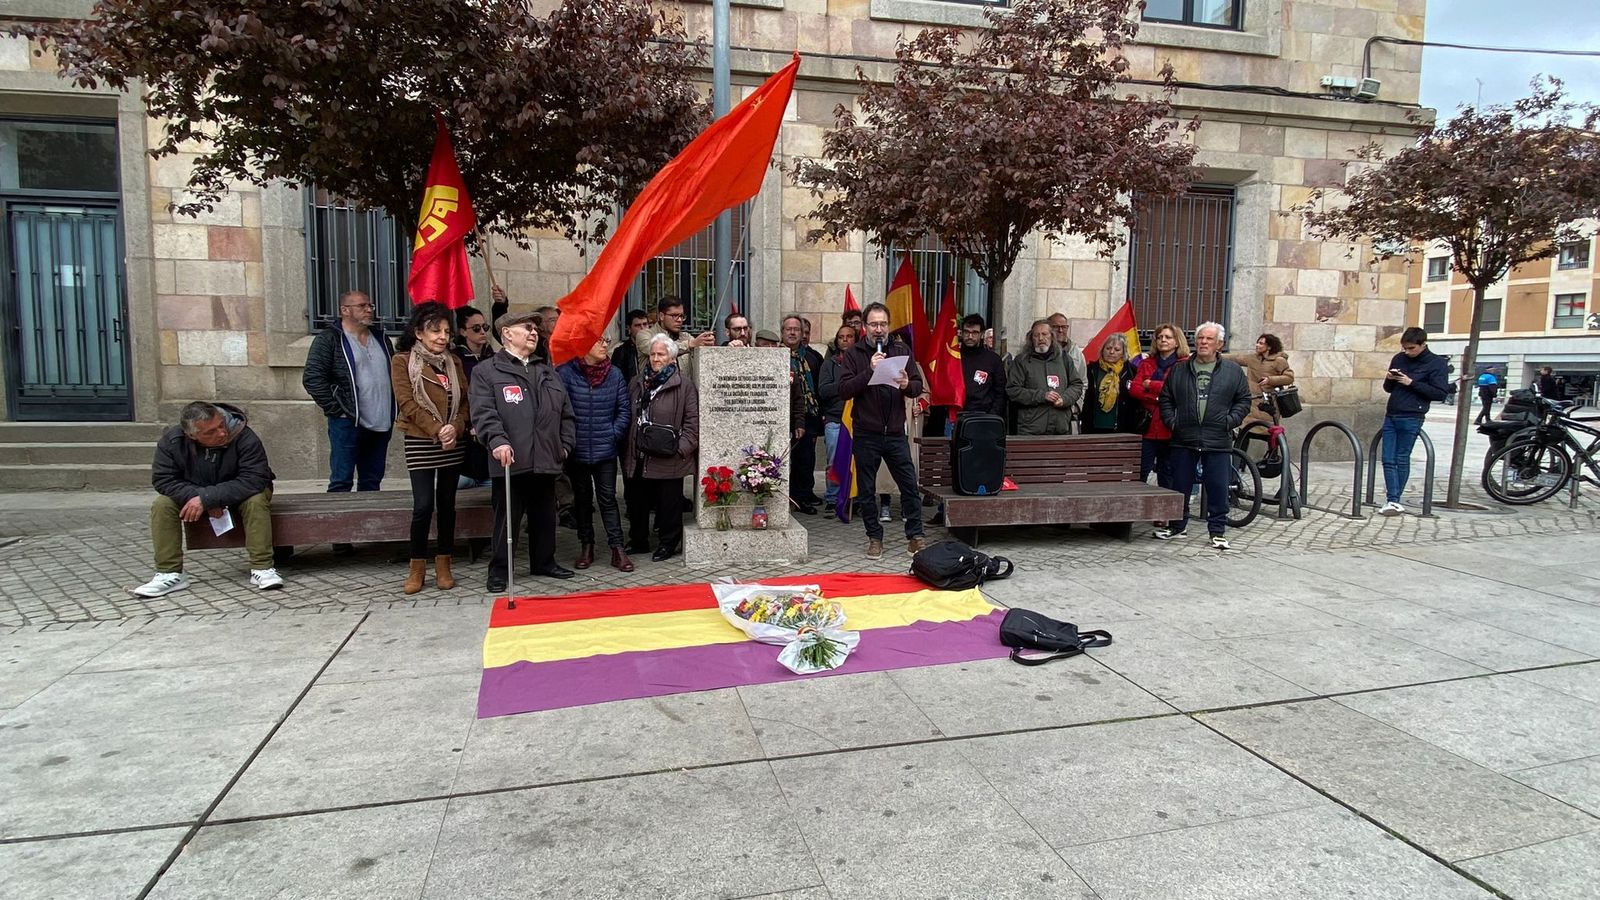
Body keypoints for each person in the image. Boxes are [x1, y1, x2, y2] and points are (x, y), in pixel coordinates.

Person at [470, 310, 577, 589]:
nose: (533, 333)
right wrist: (497, 441)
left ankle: (544, 562)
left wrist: (564, 447)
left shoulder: (546, 370)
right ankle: (500, 570)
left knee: (545, 515)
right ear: (506, 332)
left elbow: (566, 413)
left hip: (546, 457)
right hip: (510, 459)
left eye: (535, 329)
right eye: (527, 328)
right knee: (507, 519)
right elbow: (483, 413)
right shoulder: (487, 371)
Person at [133, 401, 281, 597]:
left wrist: (208, 498)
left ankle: (262, 567)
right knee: (162, 504)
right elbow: (164, 480)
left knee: (256, 499)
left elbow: (255, 479)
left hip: (241, 492)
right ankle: (169, 573)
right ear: (192, 435)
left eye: (221, 425)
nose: (221, 433)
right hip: (194, 493)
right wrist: (201, 497)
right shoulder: (172, 442)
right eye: (211, 432)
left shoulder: (244, 436)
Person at [390, 302, 470, 594]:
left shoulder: (454, 361)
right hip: (421, 440)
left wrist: (455, 428)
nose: (442, 337)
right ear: (418, 333)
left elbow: (464, 402)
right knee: (423, 505)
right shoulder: (402, 361)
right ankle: (417, 566)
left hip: (452, 441)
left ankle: (444, 564)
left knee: (447, 504)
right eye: (435, 331)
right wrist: (438, 429)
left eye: (446, 331)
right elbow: (407, 402)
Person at [837, 302, 925, 560]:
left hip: (895, 432)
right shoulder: (854, 354)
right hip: (867, 433)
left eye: (883, 324)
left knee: (909, 484)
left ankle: (915, 536)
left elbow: (917, 385)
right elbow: (844, 390)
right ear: (865, 327)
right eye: (874, 324)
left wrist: (908, 384)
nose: (879, 329)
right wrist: (870, 371)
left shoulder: (901, 349)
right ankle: (874, 537)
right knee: (866, 490)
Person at [1156, 322, 1253, 550]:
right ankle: (1178, 526)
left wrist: (1229, 421)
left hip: (1217, 439)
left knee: (1218, 487)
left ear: (1219, 344)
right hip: (1184, 437)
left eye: (1209, 339)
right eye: (1200, 338)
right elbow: (1166, 398)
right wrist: (1173, 422)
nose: (1203, 343)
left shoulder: (1232, 372)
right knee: (1180, 485)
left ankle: (1217, 531)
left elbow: (1244, 400)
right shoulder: (1180, 369)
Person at [302, 290, 395, 496]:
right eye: (362, 306)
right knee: (341, 482)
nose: (369, 310)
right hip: (347, 422)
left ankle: (369, 524)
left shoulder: (381, 338)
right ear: (345, 310)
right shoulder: (329, 339)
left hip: (380, 421)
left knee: (372, 481)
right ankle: (336, 526)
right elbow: (313, 378)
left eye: (370, 306)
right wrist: (338, 409)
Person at [557, 334, 634, 572]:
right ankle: (586, 546)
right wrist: (568, 440)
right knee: (582, 500)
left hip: (605, 450)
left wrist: (612, 434)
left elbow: (624, 410)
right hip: (577, 450)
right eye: (599, 341)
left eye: (607, 340)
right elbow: (560, 409)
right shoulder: (566, 373)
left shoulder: (615, 374)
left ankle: (617, 548)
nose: (605, 345)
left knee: (608, 499)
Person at [624, 334, 700, 562]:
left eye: (661, 354)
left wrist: (680, 449)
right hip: (639, 454)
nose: (655, 359)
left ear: (672, 358)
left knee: (668, 505)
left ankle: (669, 544)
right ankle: (638, 541)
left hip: (669, 456)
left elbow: (692, 423)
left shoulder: (684, 385)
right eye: (653, 354)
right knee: (636, 501)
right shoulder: (637, 382)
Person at [1379, 326, 1449, 516]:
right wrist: (1390, 379)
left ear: (1423, 344)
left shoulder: (1436, 363)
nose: (1407, 352)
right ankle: (1393, 499)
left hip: (1412, 415)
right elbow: (1388, 388)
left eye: (1411, 348)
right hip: (1393, 412)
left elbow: (1440, 393)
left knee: (1401, 457)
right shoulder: (1399, 359)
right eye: (1405, 348)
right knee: (1387, 458)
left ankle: (1393, 499)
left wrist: (1412, 383)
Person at [1130, 323, 1189, 488]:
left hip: (1170, 428)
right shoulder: (1147, 363)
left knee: (1167, 472)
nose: (1163, 340)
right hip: (1147, 428)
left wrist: (1151, 385)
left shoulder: (1184, 364)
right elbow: (1135, 389)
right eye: (1160, 337)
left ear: (1177, 342)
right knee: (1141, 472)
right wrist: (1158, 398)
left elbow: (1178, 390)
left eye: (1168, 337)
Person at [1007, 319, 1084, 435]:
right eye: (1036, 335)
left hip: (1060, 427)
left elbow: (1077, 385)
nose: (1041, 339)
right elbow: (1013, 390)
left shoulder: (1064, 359)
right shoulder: (1021, 361)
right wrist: (1042, 396)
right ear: (1031, 339)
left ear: (1052, 337)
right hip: (1031, 429)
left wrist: (1065, 399)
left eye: (1044, 334)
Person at [783, 314, 824, 514]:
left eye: (796, 329)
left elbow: (820, 388)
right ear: (782, 332)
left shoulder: (814, 358)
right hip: (781, 416)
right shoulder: (774, 354)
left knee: (805, 460)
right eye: (788, 329)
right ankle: (783, 498)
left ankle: (802, 498)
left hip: (808, 416)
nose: (792, 332)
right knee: (780, 460)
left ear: (802, 334)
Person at [817, 324, 857, 518]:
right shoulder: (830, 364)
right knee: (835, 461)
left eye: (849, 336)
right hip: (835, 419)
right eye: (841, 337)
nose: (845, 340)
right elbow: (823, 391)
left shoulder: (863, 362)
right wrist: (845, 385)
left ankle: (853, 498)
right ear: (837, 340)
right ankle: (832, 499)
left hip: (858, 419)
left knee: (856, 462)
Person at [453, 305, 495, 489]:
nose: (482, 332)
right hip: (463, 435)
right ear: (463, 331)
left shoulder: (493, 358)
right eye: (476, 328)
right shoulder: (454, 359)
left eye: (485, 327)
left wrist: (500, 305)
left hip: (487, 434)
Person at [635, 296, 714, 382]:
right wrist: (689, 344)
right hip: (655, 391)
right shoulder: (644, 335)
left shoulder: (685, 336)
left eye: (681, 316)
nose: (679, 320)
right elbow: (661, 349)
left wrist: (707, 345)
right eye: (674, 316)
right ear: (661, 316)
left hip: (683, 391)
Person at [1227, 333, 1295, 430]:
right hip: (1251, 403)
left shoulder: (1279, 360)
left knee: (1269, 432)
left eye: (1261, 343)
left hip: (1267, 404)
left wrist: (1270, 380)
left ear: (1269, 347)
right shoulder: (1252, 358)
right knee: (1245, 430)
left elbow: (1289, 377)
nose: (1257, 345)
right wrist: (1215, 355)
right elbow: (1236, 358)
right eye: (1257, 343)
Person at [1081, 333, 1143, 434]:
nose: (1111, 352)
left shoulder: (1132, 371)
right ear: (1102, 350)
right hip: (1093, 428)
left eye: (1117, 349)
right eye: (1108, 348)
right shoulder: (1091, 370)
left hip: (1123, 428)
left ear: (1123, 353)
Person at [958, 314, 1007, 421]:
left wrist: (992, 416)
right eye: (967, 332)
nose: (970, 336)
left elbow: (1000, 392)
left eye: (974, 333)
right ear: (961, 333)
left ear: (981, 334)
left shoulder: (993, 360)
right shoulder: (954, 358)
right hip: (954, 416)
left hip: (983, 417)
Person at [1047, 312, 1090, 412]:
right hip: (1044, 409)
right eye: (1055, 327)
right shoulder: (1041, 351)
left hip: (1068, 410)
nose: (1060, 330)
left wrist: (1076, 406)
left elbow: (1083, 383)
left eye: (1064, 327)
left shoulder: (1077, 353)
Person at [613, 308, 648, 387]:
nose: (642, 328)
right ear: (629, 328)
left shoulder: (655, 347)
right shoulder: (620, 352)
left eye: (645, 324)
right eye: (638, 325)